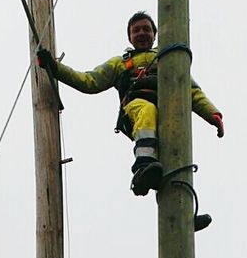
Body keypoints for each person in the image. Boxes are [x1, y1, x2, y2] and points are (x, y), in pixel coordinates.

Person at [36, 11, 224, 208]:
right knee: (147, 111)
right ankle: (143, 166)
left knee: (175, 151)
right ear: (129, 37)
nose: (141, 33)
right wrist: (55, 68)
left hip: (168, 114)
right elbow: (89, 81)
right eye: (136, 31)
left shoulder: (169, 58)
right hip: (136, 107)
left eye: (146, 29)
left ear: (155, 34)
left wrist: (213, 114)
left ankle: (181, 205)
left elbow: (191, 90)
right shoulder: (121, 63)